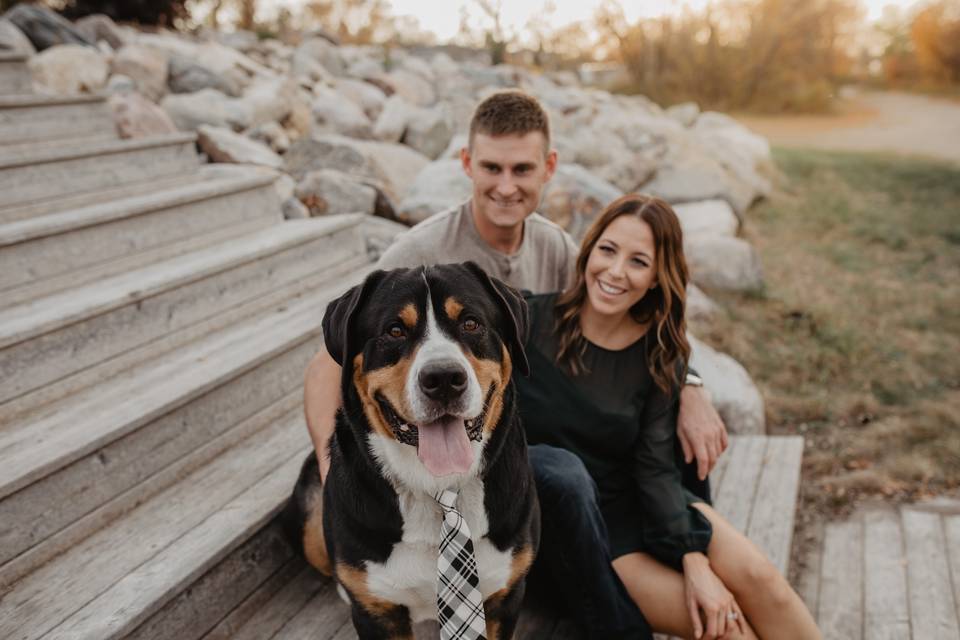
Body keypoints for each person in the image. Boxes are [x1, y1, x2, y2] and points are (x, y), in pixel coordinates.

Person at [302, 90, 728, 638]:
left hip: (516, 439)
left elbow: (633, 316)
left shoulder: (558, 250)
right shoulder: (421, 251)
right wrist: (329, 460)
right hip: (490, 445)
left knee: (667, 446)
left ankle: (687, 547)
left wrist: (690, 383)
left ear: (548, 168)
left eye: (522, 168)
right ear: (467, 165)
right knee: (566, 475)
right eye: (492, 167)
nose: (506, 185)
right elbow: (328, 364)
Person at [516, 193, 821, 640]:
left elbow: (656, 467)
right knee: (726, 627)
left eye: (639, 261)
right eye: (607, 250)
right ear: (589, 250)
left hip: (648, 501)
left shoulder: (659, 352)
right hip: (586, 530)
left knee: (765, 584)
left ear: (658, 277)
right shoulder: (525, 320)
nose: (616, 272)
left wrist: (693, 561)